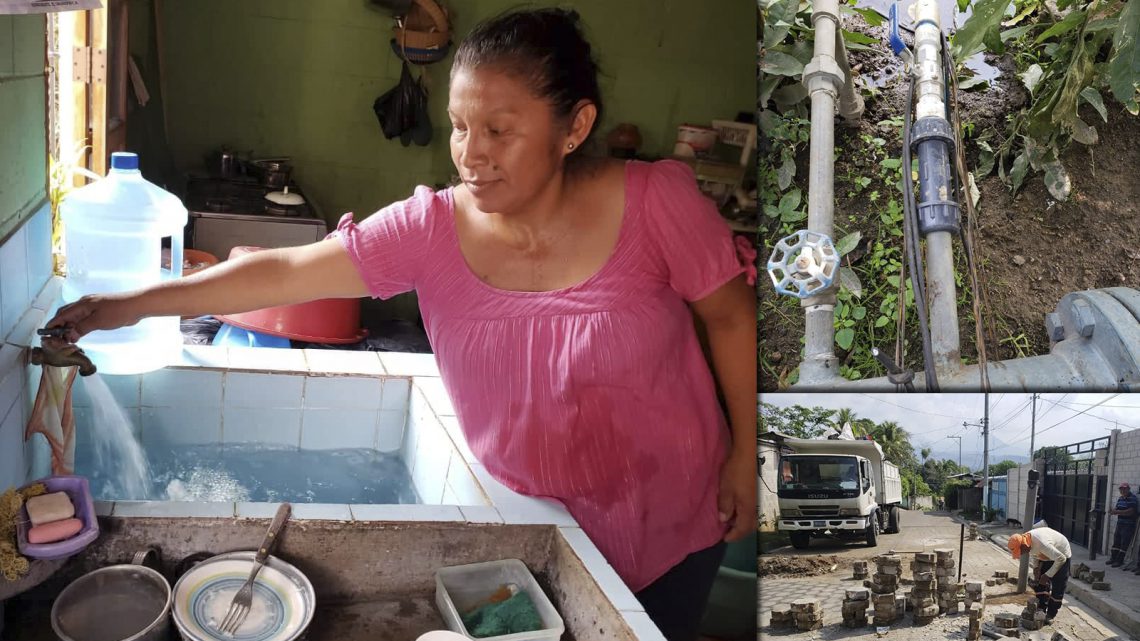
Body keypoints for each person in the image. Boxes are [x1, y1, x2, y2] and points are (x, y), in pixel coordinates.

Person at [45, 8, 757, 641]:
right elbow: (286, 273)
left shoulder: (656, 204)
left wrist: (745, 455)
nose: (471, 153)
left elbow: (730, 319)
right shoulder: (431, 229)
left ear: (575, 126)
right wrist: (128, 303)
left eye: (500, 131)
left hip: (673, 518)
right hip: (535, 521)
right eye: (460, 127)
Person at [1007, 526, 1072, 625]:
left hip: (1062, 555)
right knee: (1040, 583)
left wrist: (1047, 575)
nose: (1022, 554)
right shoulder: (1027, 541)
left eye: (1020, 552)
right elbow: (1035, 553)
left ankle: (1050, 614)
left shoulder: (1042, 543)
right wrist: (1036, 567)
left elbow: (1061, 558)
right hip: (1047, 555)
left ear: (1024, 545)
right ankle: (1041, 609)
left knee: (1058, 587)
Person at [1108, 482, 1138, 568]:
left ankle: (1119, 561)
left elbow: (1130, 512)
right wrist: (1112, 511)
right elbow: (1117, 508)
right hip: (1120, 523)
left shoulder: (1133, 498)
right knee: (1116, 541)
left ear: (1128, 489)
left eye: (1124, 489)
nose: (1122, 491)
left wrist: (1117, 512)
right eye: (1121, 489)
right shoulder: (1120, 498)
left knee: (1124, 543)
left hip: (1128, 525)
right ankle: (1113, 558)